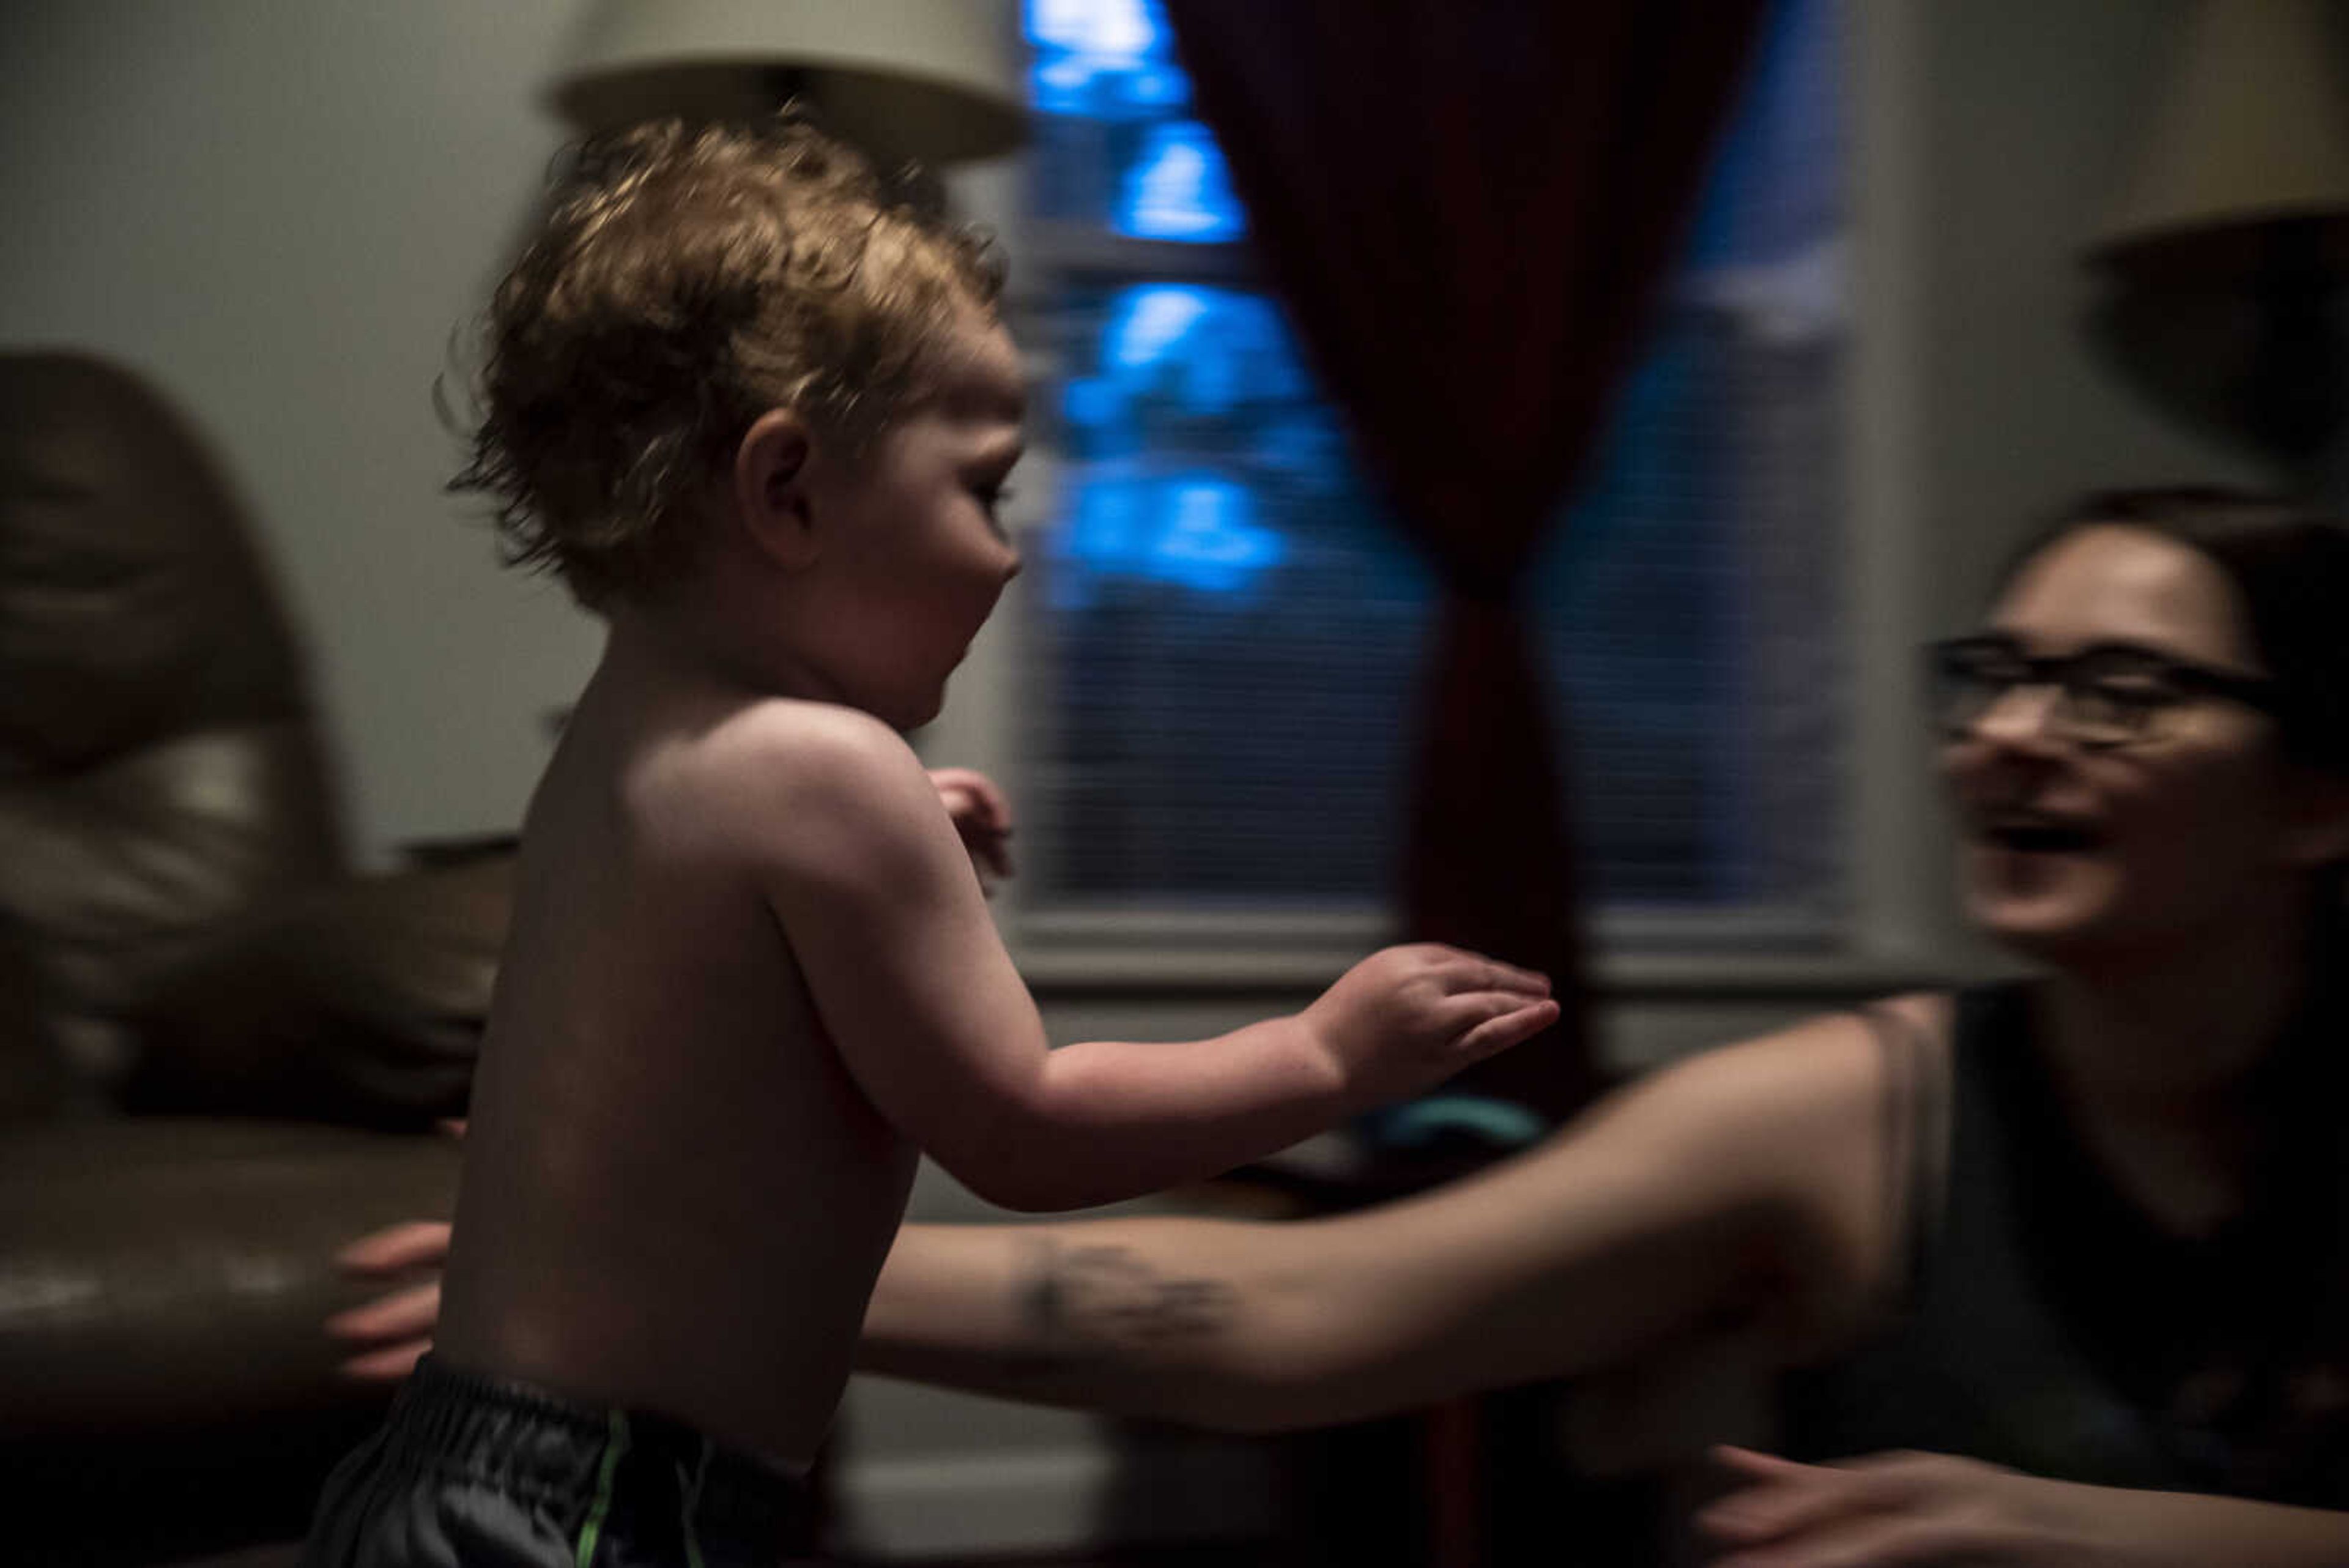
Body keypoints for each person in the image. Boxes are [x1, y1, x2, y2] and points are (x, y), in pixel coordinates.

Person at [337, 487, 2349, 1564]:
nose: (2005, 728)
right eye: (1998, 669)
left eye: (2116, 692)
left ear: (2315, 800)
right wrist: (686, 1293)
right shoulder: (1862, 1109)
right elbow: (1299, 1317)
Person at [300, 115, 1557, 1568]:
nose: (1009, 548)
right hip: (607, 1511)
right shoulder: (830, 778)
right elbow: (1021, 1126)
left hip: (467, 1473)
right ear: (788, 492)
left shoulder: (628, 732)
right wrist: (1330, 1057)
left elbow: (718, 919)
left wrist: (905, 826)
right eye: (984, 484)